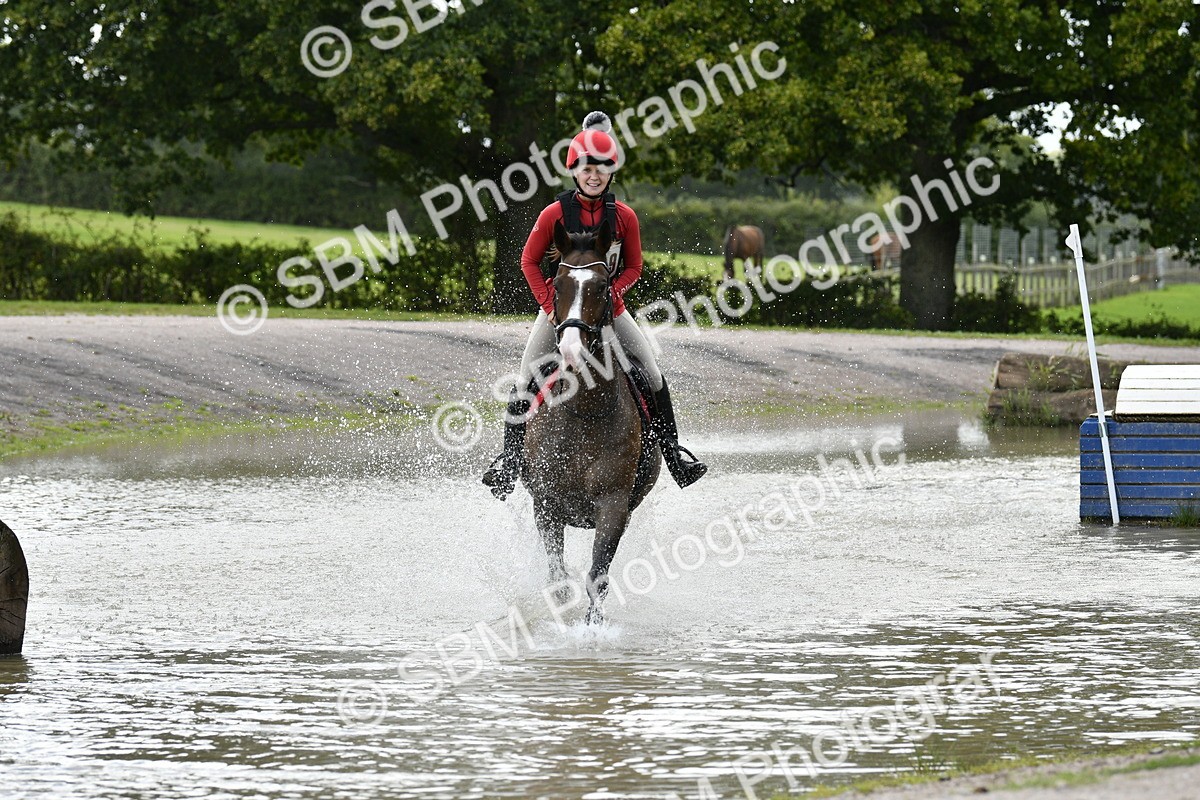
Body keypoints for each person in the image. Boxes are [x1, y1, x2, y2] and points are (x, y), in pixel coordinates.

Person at [482, 111, 707, 500]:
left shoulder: (624, 218)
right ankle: (509, 460)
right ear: (575, 169)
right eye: (587, 167)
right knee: (524, 378)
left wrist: (613, 295)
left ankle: (673, 456)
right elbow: (528, 262)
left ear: (611, 173)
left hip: (610, 310)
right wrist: (551, 308)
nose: (595, 174)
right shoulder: (553, 214)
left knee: (651, 372)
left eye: (603, 168)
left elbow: (635, 266)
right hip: (559, 312)